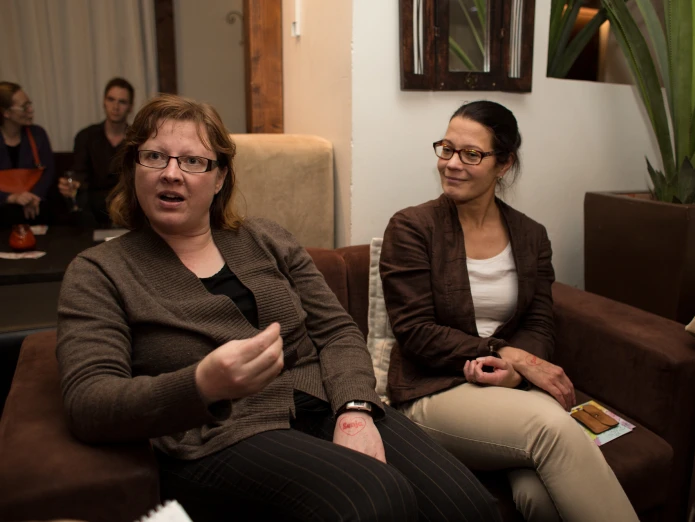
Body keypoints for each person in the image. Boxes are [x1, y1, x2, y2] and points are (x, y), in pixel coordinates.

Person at [56, 94, 501, 522]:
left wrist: (354, 409)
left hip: (323, 403)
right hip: (217, 436)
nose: (172, 173)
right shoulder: (99, 270)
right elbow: (88, 402)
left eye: (193, 161)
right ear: (134, 167)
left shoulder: (265, 239)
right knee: (377, 499)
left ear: (220, 177)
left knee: (470, 509)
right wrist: (201, 385)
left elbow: (337, 332)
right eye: (155, 156)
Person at [379, 100, 639, 522]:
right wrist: (504, 352)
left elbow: (539, 320)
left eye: (471, 154)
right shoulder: (412, 227)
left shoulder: (531, 235)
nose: (452, 164)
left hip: (509, 390)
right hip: (433, 389)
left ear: (503, 165)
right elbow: (416, 331)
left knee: (541, 497)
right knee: (552, 429)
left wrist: (517, 369)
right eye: (446, 148)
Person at [58, 77, 134, 226]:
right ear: (104, 102)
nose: (115, 106)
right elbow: (79, 172)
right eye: (111, 99)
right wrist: (70, 185)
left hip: (127, 203)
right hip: (92, 206)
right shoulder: (86, 136)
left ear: (130, 107)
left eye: (122, 102)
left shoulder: (136, 138)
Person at [0, 81, 55, 226]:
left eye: (29, 104)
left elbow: (48, 172)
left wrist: (35, 196)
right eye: (24, 107)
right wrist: (11, 197)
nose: (30, 110)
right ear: (6, 113)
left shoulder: (38, 134)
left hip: (35, 205)